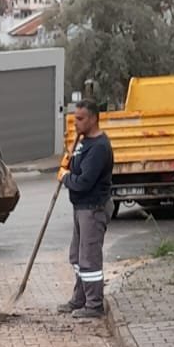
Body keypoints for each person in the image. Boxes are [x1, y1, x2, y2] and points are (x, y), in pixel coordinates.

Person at [57, 99, 114, 318]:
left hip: (93, 208)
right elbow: (76, 167)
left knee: (89, 259)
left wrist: (65, 176)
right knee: (77, 256)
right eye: (74, 119)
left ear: (93, 119)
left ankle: (94, 305)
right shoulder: (83, 141)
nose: (75, 123)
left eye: (80, 119)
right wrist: (69, 163)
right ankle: (80, 299)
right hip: (81, 207)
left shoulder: (99, 147)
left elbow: (84, 182)